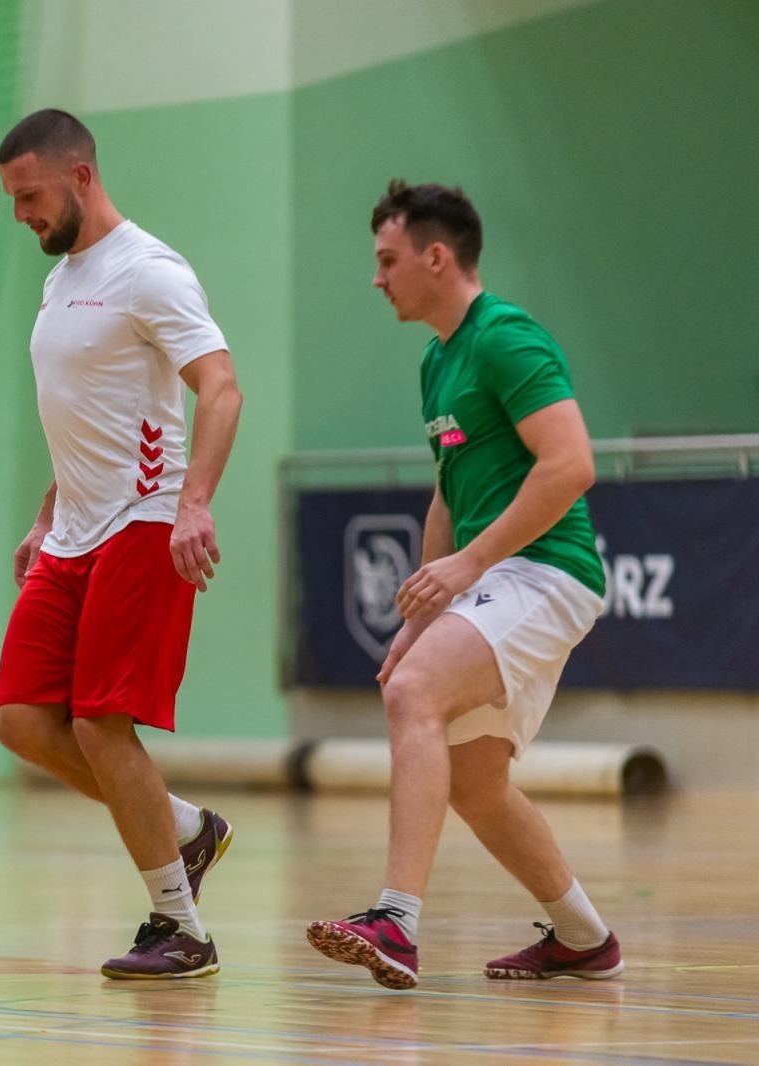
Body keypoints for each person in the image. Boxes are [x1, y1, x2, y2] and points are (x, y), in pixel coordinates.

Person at [306, 182, 621, 989]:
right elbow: (448, 494)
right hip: (501, 576)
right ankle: (584, 938)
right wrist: (424, 613)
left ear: (437, 257)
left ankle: (396, 922)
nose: (377, 278)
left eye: (388, 260)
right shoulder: (437, 361)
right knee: (477, 784)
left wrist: (470, 566)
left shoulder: (505, 338)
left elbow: (571, 464)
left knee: (413, 693)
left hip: (547, 570)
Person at [0, 109, 244, 979]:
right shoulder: (60, 280)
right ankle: (184, 829)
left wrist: (194, 503)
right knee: (22, 721)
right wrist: (43, 516)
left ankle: (182, 927)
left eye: (30, 195)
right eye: (12, 199)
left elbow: (220, 387)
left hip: (144, 519)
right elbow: (84, 418)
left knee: (100, 724)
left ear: (81, 177)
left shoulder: (150, 272)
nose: (21, 214)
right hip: (72, 532)